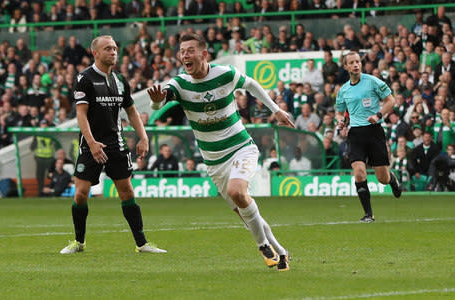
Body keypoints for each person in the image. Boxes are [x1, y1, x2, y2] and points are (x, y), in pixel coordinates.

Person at [147, 33, 294, 271]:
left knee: (237, 191)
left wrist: (276, 110)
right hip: (214, 163)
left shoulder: (224, 74)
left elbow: (252, 85)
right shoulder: (180, 84)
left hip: (240, 148)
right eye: (182, 51)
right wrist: (155, 102)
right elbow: (159, 101)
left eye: (190, 50)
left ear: (204, 54)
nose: (185, 54)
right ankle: (281, 251)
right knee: (245, 210)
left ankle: (263, 246)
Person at [60, 35, 166, 255]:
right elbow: (81, 114)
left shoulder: (120, 80)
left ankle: (142, 244)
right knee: (80, 194)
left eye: (115, 49)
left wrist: (143, 137)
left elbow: (131, 111)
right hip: (91, 145)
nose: (113, 52)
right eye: (108, 49)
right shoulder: (84, 78)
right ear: (95, 53)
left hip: (116, 144)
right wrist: (91, 143)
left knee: (126, 191)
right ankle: (79, 242)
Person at [336, 51, 402, 223]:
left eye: (358, 61)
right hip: (355, 134)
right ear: (346, 67)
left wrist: (378, 115)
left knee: (382, 179)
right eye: (352, 62)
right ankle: (368, 215)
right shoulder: (343, 90)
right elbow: (339, 112)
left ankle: (392, 179)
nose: (356, 64)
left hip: (374, 131)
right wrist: (341, 121)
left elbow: (391, 101)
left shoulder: (372, 81)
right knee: (359, 173)